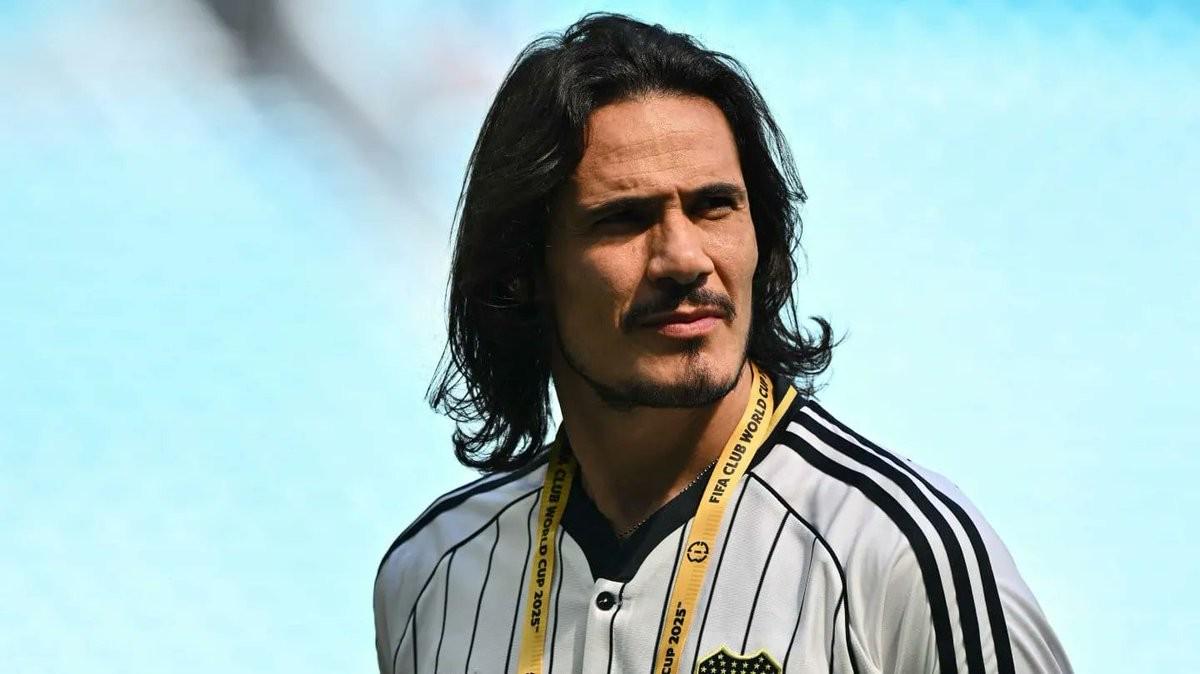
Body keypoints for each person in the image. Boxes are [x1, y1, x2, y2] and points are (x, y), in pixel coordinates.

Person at [373, 13, 1072, 674]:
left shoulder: (901, 553)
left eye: (714, 207)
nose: (684, 259)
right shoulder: (430, 575)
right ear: (520, 274)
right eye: (624, 219)